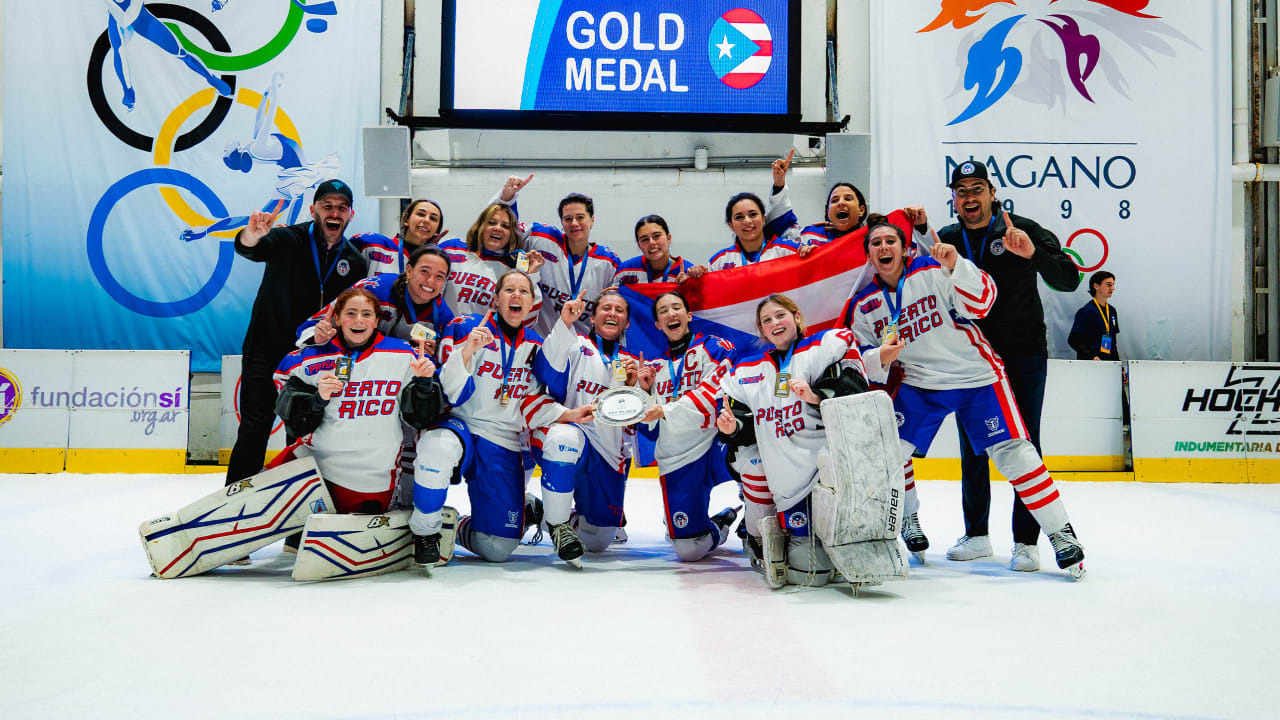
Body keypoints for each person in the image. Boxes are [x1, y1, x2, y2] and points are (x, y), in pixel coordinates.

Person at [844, 220, 1086, 579]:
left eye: (891, 240)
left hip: (976, 377)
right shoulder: (864, 305)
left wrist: (958, 266)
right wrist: (879, 356)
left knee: (1015, 454)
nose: (884, 247)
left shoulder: (930, 270)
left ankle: (1061, 534)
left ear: (904, 247)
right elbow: (860, 354)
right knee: (888, 455)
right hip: (921, 385)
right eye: (876, 243)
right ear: (868, 255)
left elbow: (983, 302)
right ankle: (906, 520)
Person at [936, 161, 1081, 572]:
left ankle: (1026, 541)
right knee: (973, 446)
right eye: (961, 190)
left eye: (976, 188)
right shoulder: (949, 239)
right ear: (954, 198)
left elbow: (1068, 279)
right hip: (972, 358)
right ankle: (977, 535)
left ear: (992, 192)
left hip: (1023, 354)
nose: (969, 197)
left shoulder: (1022, 229)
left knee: (1027, 445)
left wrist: (1033, 254)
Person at [408, 271, 596, 567]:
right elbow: (449, 391)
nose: (516, 295)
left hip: (501, 441)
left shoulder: (533, 345)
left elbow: (530, 400)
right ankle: (424, 530)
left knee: (498, 548)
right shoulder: (465, 327)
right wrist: (468, 350)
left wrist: (566, 414)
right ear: (496, 299)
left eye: (523, 291)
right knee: (438, 446)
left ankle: (452, 526)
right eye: (509, 289)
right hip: (462, 427)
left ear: (532, 303)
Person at [716, 294, 870, 586]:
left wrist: (816, 396)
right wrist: (731, 426)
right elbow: (739, 419)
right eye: (766, 320)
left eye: (780, 315)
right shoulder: (746, 371)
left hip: (827, 469)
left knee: (827, 559)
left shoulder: (824, 345)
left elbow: (853, 382)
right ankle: (760, 536)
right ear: (761, 331)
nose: (774, 323)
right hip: (786, 479)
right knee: (810, 574)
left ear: (797, 317)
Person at [227, 179, 367, 487]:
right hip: (266, 349)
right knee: (255, 424)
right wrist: (251, 236)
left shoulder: (354, 261)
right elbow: (253, 248)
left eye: (341, 207)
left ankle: (298, 507)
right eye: (327, 206)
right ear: (313, 209)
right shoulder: (290, 239)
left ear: (351, 214)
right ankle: (234, 502)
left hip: (310, 357)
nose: (334, 212)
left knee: (303, 433)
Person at [272, 287, 444, 514]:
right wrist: (317, 399)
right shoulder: (307, 359)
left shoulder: (405, 356)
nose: (358, 320)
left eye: (366, 314)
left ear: (376, 321)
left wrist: (423, 384)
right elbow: (295, 424)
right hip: (314, 465)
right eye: (351, 313)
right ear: (337, 318)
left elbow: (423, 419)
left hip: (370, 478)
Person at [635, 291, 740, 561]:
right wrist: (645, 393)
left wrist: (665, 409)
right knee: (688, 550)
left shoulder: (716, 346)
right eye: (664, 311)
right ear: (658, 324)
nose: (671, 313)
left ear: (689, 315)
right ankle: (718, 525)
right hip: (679, 457)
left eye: (677, 307)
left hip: (718, 443)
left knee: (755, 459)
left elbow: (714, 394)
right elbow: (649, 431)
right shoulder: (654, 367)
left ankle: (758, 526)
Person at [535, 290, 642, 552]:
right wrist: (565, 322)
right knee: (565, 439)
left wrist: (633, 388)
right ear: (592, 317)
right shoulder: (576, 346)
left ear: (627, 323)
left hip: (607, 453)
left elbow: (634, 427)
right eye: (606, 308)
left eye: (619, 310)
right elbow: (545, 369)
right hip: (572, 436)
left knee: (597, 541)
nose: (612, 313)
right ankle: (558, 525)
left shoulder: (632, 363)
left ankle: (537, 511)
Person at [180, 73, 340, 243]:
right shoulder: (259, 146)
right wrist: (275, 86)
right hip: (299, 180)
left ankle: (205, 230)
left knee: (255, 220)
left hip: (290, 180)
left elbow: (259, 117)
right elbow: (269, 117)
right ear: (235, 153)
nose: (225, 147)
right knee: (295, 232)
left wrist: (266, 94)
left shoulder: (254, 146)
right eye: (227, 151)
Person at [498, 175, 622, 338]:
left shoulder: (610, 263)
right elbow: (506, 231)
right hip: (539, 343)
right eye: (568, 219)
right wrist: (508, 197)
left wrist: (620, 295)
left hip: (583, 352)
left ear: (592, 220)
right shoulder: (540, 238)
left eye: (580, 217)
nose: (574, 223)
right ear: (562, 223)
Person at [102, 0, 231, 111]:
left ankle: (211, 78)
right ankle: (128, 91)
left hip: (141, 18)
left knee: (180, 52)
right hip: (120, 21)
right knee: (119, 51)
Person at [438, 203, 545, 323]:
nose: (498, 228)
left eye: (505, 226)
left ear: (511, 234)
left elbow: (526, 320)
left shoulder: (514, 271)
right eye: (492, 223)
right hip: (443, 335)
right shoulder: (452, 248)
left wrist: (531, 276)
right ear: (480, 226)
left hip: (484, 339)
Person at [707, 192, 803, 271]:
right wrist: (697, 274)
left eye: (753, 214)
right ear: (731, 226)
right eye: (739, 217)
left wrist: (813, 252)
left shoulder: (789, 251)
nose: (747, 221)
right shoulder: (719, 262)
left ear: (763, 219)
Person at [358, 198, 448, 276]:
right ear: (406, 220)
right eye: (420, 214)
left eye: (433, 219)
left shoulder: (435, 262)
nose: (426, 220)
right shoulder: (373, 245)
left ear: (436, 231)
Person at [612, 215, 701, 286]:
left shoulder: (686, 272)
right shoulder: (625, 271)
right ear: (639, 245)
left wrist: (694, 282)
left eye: (657, 236)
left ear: (668, 238)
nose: (651, 242)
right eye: (645, 239)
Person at [1068, 271, 1120, 361]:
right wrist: (1091, 357)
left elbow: (1113, 342)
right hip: (1091, 364)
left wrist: (1118, 365)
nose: (1113, 288)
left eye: (1113, 285)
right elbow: (1073, 340)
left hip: (1109, 363)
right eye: (1109, 285)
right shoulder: (1086, 311)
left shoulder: (1112, 311)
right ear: (1096, 286)